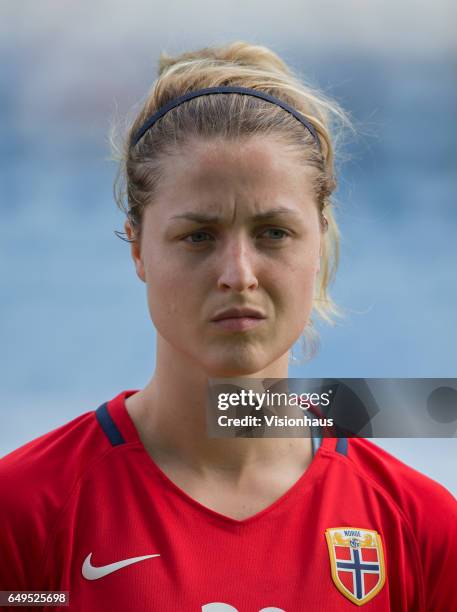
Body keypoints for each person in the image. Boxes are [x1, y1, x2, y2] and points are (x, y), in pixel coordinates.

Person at [1, 41, 456, 612]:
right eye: (198, 236)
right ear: (137, 247)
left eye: (273, 233)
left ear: (319, 239)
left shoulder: (420, 528)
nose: (238, 275)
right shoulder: (24, 515)